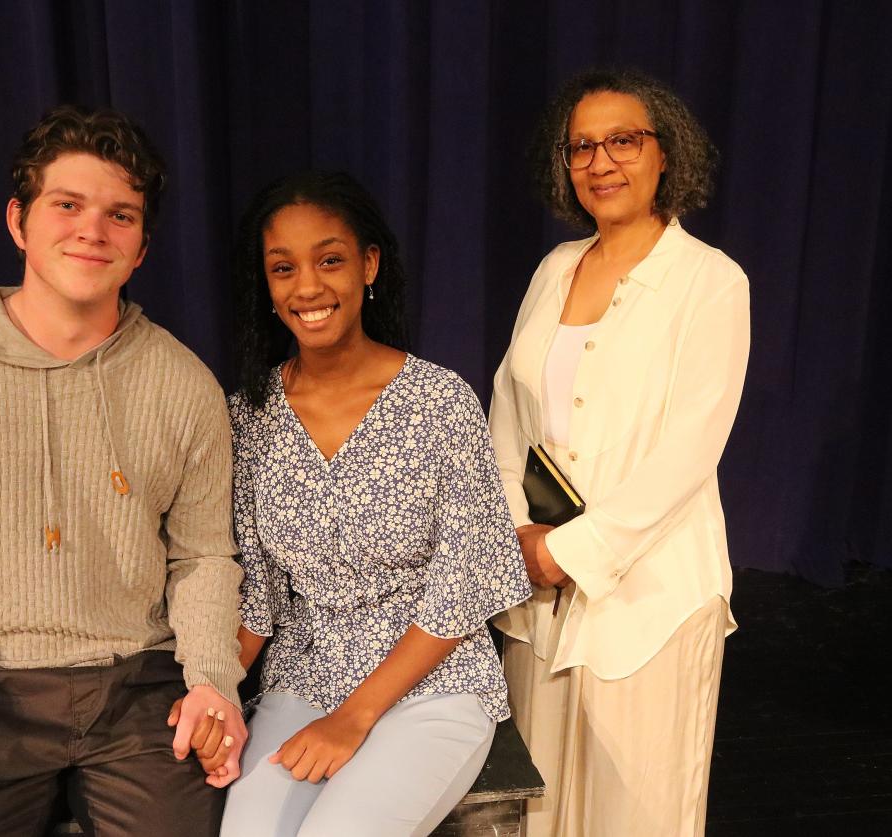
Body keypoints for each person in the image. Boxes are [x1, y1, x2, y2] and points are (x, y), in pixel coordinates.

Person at [0, 105, 247, 837]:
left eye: (120, 215)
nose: (93, 230)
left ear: (142, 247)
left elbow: (202, 556)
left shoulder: (184, 384)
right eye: (68, 204)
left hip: (138, 686)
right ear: (18, 221)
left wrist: (211, 681)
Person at [215, 171, 532, 837]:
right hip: (305, 678)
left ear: (369, 265)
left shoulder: (441, 403)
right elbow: (259, 598)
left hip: (433, 685)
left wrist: (354, 717)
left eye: (329, 259)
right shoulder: (251, 414)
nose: (307, 286)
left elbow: (458, 592)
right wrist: (209, 692)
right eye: (283, 268)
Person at [489, 68, 751, 836]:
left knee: (634, 816)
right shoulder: (552, 270)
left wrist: (571, 550)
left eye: (623, 141)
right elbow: (510, 412)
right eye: (581, 147)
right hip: (540, 589)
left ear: (665, 154)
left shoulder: (709, 282)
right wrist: (519, 537)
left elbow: (688, 451)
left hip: (650, 598)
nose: (601, 162)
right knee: (537, 809)